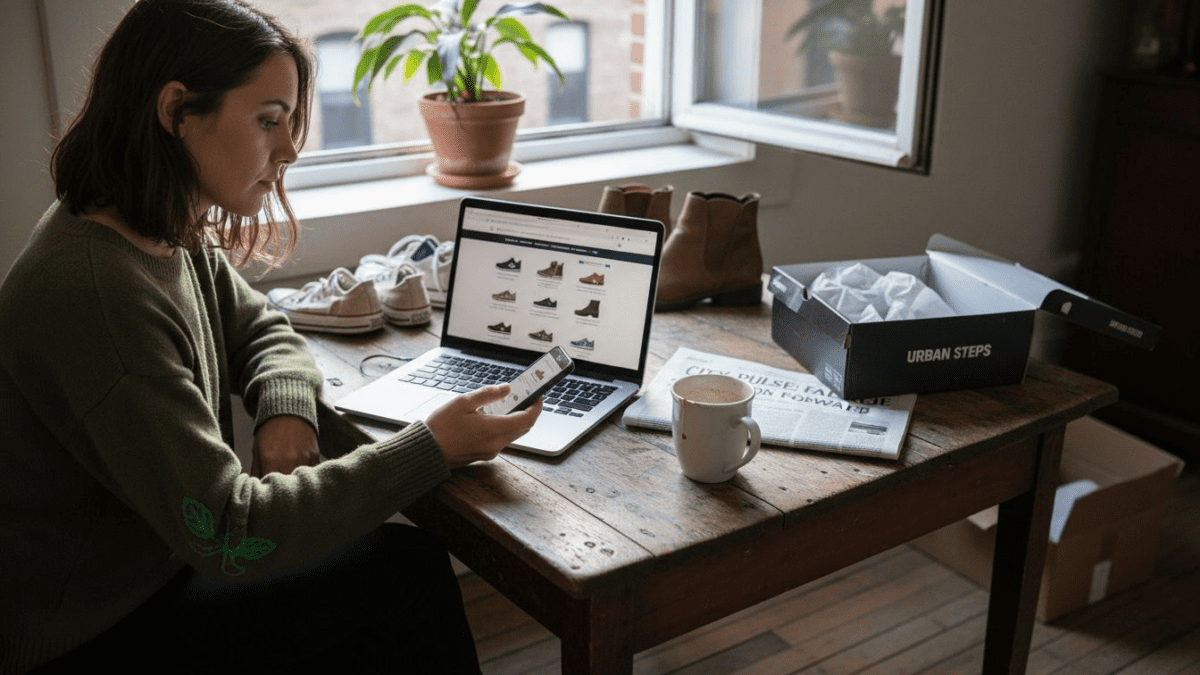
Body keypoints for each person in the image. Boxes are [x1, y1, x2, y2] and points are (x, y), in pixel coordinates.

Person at [0, 1, 541, 672]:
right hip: (92, 632)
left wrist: (283, 405)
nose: (288, 149)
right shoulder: (99, 291)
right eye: (267, 121)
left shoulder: (163, 225)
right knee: (407, 574)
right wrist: (429, 448)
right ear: (176, 112)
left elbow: (261, 324)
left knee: (385, 576)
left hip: (155, 575)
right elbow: (231, 532)